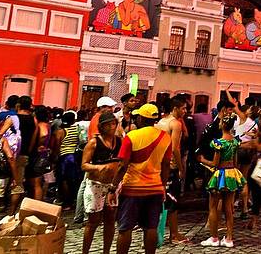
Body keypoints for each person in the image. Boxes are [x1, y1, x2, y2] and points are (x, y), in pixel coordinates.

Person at [109, 103, 172, 254]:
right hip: (155, 188)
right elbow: (165, 166)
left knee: (125, 228)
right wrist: (162, 186)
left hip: (132, 188)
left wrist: (112, 187)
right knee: (151, 227)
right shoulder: (166, 137)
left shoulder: (131, 137)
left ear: (142, 119)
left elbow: (122, 166)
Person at [198, 113, 246, 247]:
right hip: (231, 174)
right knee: (229, 208)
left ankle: (214, 238)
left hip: (220, 175)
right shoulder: (235, 141)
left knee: (213, 206)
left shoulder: (218, 143)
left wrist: (202, 160)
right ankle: (229, 238)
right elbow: (235, 162)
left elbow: (214, 163)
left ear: (222, 125)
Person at [81, 112, 122, 254]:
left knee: (110, 220)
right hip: (96, 185)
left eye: (113, 123)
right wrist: (98, 167)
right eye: (108, 124)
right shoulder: (94, 143)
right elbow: (84, 165)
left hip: (113, 185)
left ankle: (106, 251)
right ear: (101, 127)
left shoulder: (119, 141)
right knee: (93, 221)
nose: (111, 127)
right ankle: (85, 251)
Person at [155, 97, 189, 244]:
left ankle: (159, 232)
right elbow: (175, 148)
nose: (185, 111)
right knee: (173, 202)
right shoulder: (176, 124)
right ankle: (174, 234)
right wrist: (181, 168)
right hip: (171, 165)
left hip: (159, 164)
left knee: (162, 200)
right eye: (183, 108)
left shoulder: (161, 122)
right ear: (175, 108)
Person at [53, 111, 80, 209]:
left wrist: (54, 156)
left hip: (64, 157)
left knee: (63, 180)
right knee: (72, 180)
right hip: (73, 156)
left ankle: (66, 201)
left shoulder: (61, 131)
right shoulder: (76, 130)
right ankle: (71, 200)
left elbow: (57, 145)